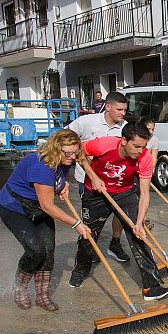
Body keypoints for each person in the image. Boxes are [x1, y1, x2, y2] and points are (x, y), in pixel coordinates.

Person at [68, 120, 168, 301]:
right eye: (136, 146)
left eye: (144, 146)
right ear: (123, 140)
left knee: (139, 235)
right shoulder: (103, 144)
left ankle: (151, 286)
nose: (140, 151)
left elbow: (145, 193)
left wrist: (139, 223)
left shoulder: (145, 157)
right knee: (89, 235)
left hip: (124, 193)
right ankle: (80, 270)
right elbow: (79, 153)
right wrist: (93, 177)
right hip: (95, 194)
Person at [0, 130, 99, 311]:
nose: (73, 157)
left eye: (75, 152)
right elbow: (47, 206)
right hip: (15, 207)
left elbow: (71, 165)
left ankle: (42, 297)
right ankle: (19, 288)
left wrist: (62, 183)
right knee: (36, 251)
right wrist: (76, 224)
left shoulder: (67, 157)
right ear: (55, 149)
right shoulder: (41, 167)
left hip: (38, 206)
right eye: (68, 153)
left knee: (48, 251)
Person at [68, 91, 130, 263]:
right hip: (88, 179)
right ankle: (91, 248)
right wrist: (79, 150)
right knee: (93, 217)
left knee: (119, 212)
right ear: (108, 106)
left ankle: (115, 244)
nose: (122, 114)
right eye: (119, 110)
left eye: (125, 110)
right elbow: (64, 138)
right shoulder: (87, 122)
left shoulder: (125, 127)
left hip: (116, 180)